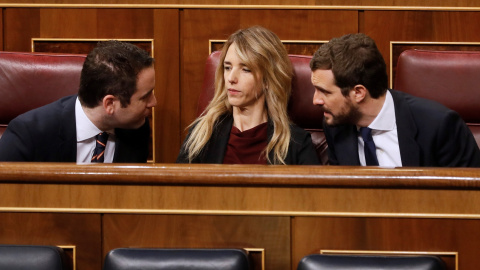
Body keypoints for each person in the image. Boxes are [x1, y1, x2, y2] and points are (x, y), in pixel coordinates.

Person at [310, 33, 480, 167]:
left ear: (359, 93)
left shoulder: (439, 125)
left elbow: (468, 198)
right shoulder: (336, 125)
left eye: (324, 92)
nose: (315, 100)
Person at [176, 26, 319, 165]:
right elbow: (178, 188)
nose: (231, 78)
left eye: (245, 69)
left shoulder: (297, 143)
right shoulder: (202, 134)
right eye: (227, 67)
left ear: (268, 80)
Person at [0, 40, 156, 163]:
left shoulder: (135, 127)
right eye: (145, 97)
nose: (154, 102)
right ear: (110, 104)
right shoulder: (28, 134)